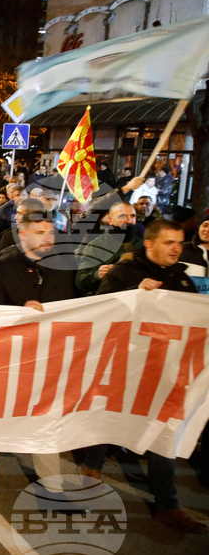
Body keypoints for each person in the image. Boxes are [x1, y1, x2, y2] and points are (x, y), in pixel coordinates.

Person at [93, 220, 207, 534]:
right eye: (169, 242)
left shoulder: (183, 281)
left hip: (167, 374)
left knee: (165, 434)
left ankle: (168, 505)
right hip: (125, 369)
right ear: (149, 243)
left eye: (180, 243)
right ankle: (90, 474)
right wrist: (134, 294)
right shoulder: (124, 273)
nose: (176, 249)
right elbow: (100, 312)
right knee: (109, 421)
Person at [0, 200, 75, 493]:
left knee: (46, 417)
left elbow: (86, 299)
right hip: (10, 354)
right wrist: (19, 309)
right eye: (41, 231)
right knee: (0, 411)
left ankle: (51, 483)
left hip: (50, 354)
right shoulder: (3, 265)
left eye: (51, 231)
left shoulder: (64, 265)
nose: (49, 237)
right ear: (22, 233)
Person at [74, 202, 142, 296]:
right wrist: (97, 275)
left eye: (132, 216)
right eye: (122, 216)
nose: (128, 220)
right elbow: (81, 282)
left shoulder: (142, 245)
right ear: (110, 220)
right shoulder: (96, 246)